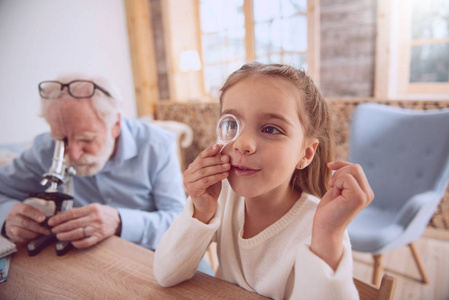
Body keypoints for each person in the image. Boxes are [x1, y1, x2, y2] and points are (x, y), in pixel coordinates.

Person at [154, 62, 374, 299]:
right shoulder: (223, 197)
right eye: (231, 123)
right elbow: (166, 274)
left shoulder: (321, 226)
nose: (242, 144)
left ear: (306, 154)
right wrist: (200, 210)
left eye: (270, 129)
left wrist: (328, 235)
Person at [0, 75, 186, 251]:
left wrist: (120, 222)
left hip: (157, 254)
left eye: (86, 140)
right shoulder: (45, 148)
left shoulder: (156, 145)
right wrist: (7, 217)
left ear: (115, 126)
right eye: (61, 139)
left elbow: (180, 220)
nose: (73, 154)